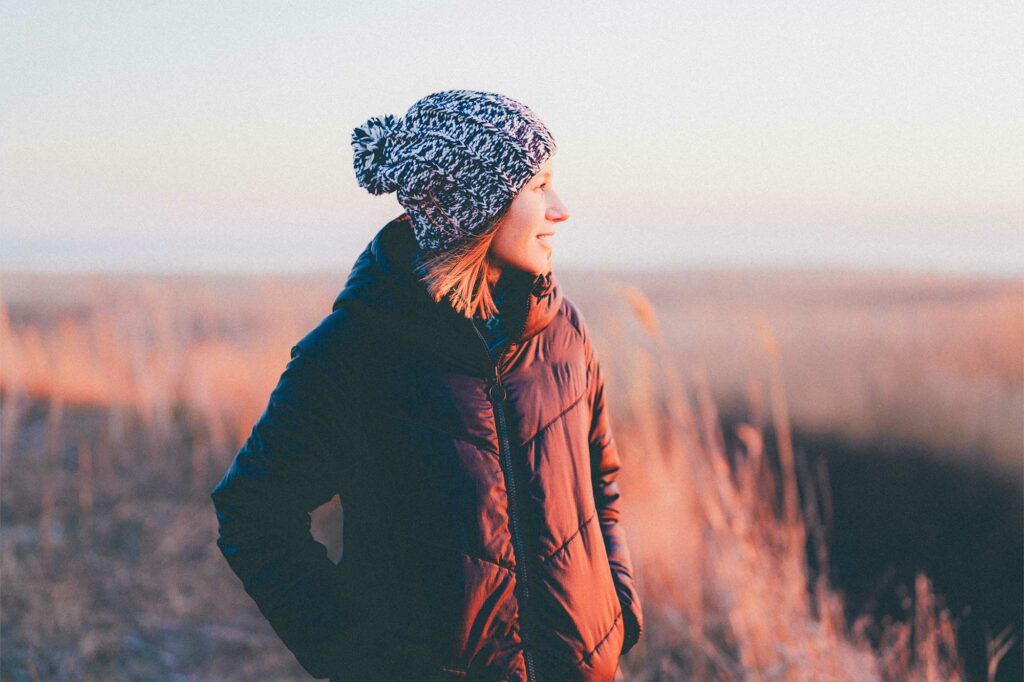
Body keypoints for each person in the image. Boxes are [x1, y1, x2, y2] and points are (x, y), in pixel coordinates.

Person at [210, 89, 643, 681]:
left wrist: (619, 609)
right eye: (538, 186)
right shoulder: (353, 352)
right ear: (476, 205)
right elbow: (253, 513)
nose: (560, 208)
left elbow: (602, 481)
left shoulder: (562, 331)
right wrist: (361, 661)